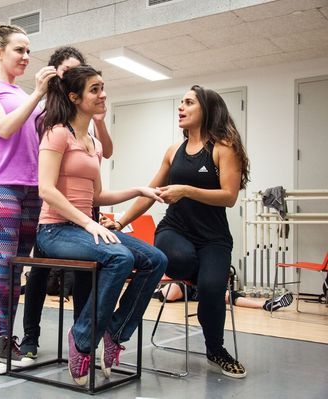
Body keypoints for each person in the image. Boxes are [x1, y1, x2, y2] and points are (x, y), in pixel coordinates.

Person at [105, 85, 251, 379]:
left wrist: (186, 190)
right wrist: (120, 223)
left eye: (188, 103)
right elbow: (151, 193)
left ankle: (216, 350)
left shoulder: (224, 148)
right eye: (181, 102)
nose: (181, 108)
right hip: (175, 231)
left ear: (206, 110)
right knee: (182, 262)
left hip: (214, 238)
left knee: (211, 287)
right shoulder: (174, 151)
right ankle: (209, 280)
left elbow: (229, 197)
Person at [36, 65, 167, 386]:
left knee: (156, 260)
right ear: (74, 97)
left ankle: (115, 332)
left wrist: (138, 190)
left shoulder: (92, 142)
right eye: (94, 89)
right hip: (54, 231)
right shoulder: (56, 133)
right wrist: (87, 222)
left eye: (102, 87)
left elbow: (97, 195)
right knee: (120, 257)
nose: (102, 94)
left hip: (83, 228)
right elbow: (46, 190)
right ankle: (82, 339)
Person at [0, 22, 57, 375]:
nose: (26, 56)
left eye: (28, 50)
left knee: (15, 271)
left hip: (31, 189)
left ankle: (6, 339)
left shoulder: (24, 95)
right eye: (19, 49)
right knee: (1, 268)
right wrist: (37, 95)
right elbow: (4, 128)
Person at [20, 46, 114, 359]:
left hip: (85, 204)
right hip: (54, 202)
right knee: (40, 272)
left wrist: (98, 119)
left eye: (79, 69)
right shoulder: (49, 116)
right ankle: (30, 337)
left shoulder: (86, 112)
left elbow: (107, 151)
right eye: (67, 72)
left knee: (88, 272)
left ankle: (81, 341)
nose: (73, 75)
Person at [153, 284, 294, 312]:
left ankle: (266, 304)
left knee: (228, 295)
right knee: (170, 294)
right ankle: (157, 291)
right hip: (184, 286)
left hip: (202, 282)